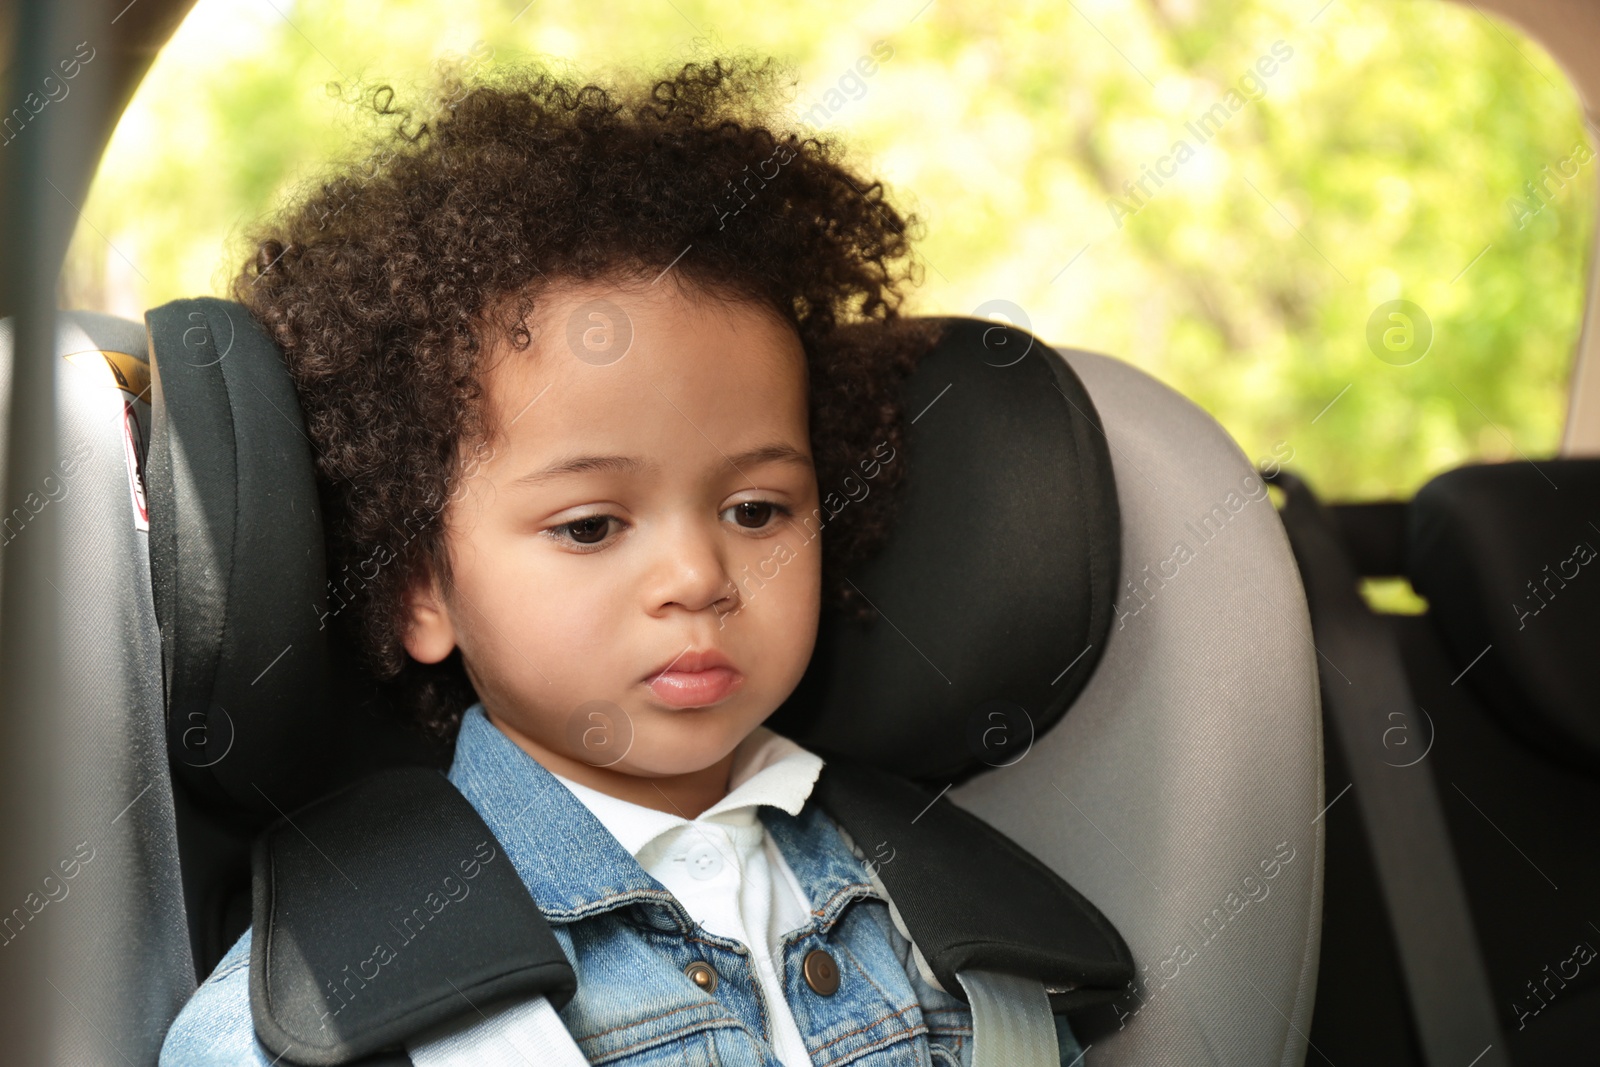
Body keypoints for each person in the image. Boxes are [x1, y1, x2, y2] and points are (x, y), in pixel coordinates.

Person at [159, 52, 1086, 1066]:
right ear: (420, 585)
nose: (698, 576)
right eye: (592, 526)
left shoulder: (949, 921)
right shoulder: (329, 1006)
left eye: (755, 507)